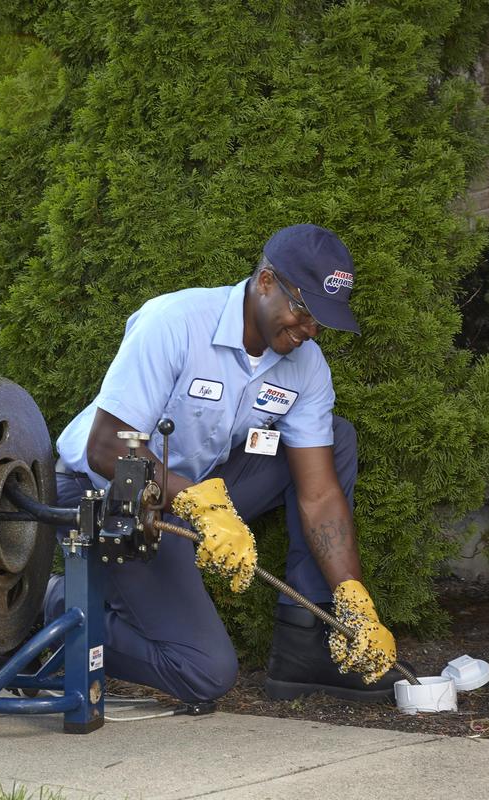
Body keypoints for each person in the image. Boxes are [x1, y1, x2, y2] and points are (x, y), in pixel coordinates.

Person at [45, 224, 402, 704]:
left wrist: (353, 596)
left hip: (191, 494)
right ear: (267, 282)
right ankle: (51, 609)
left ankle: (308, 640)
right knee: (204, 672)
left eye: (322, 320)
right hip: (109, 497)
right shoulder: (175, 321)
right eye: (304, 310)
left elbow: (318, 494)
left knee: (333, 439)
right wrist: (197, 504)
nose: (309, 330)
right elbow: (106, 447)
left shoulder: (307, 365)